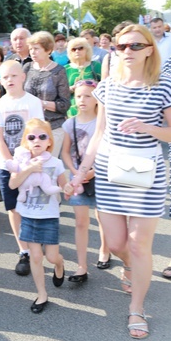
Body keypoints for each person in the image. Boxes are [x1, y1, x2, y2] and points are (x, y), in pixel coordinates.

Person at [68, 24, 171, 339]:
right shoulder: (108, 86)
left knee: (140, 244)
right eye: (121, 46)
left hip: (147, 173)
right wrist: (81, 170)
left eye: (135, 46)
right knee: (115, 244)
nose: (127, 51)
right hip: (110, 171)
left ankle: (136, 308)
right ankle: (129, 265)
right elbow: (99, 133)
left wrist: (146, 127)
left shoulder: (163, 85)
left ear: (149, 50)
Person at [0, 61, 45, 274]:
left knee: (32, 204)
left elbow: (39, 134)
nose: (10, 80)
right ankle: (24, 250)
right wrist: (12, 165)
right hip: (7, 166)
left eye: (14, 75)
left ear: (23, 77)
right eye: (5, 77)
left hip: (30, 164)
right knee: (13, 208)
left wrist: (28, 163)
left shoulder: (33, 103)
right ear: (1, 81)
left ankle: (37, 243)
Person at [9, 119, 68, 314]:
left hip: (49, 216)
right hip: (27, 214)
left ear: (49, 141)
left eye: (42, 136)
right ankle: (42, 294)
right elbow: (12, 185)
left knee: (51, 257)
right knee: (35, 256)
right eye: (31, 137)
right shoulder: (21, 162)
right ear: (25, 141)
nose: (37, 140)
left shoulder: (56, 163)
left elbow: (64, 185)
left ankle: (60, 264)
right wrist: (28, 169)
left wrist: (69, 188)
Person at [60, 81, 110, 281]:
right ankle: (82, 266)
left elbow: (109, 151)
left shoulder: (103, 123)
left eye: (88, 96)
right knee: (81, 222)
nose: (82, 100)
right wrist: (76, 172)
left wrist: (93, 172)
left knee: (103, 218)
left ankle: (105, 250)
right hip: (77, 178)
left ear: (97, 99)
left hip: (101, 176)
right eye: (79, 96)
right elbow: (65, 152)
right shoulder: (69, 123)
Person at [22, 31, 71, 155]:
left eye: (36, 49)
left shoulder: (58, 71)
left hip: (52, 128)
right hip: (30, 129)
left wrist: (43, 103)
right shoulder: (27, 67)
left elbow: (65, 104)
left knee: (47, 168)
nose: (32, 52)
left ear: (48, 50)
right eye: (31, 48)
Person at [65, 37, 101, 117]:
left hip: (93, 110)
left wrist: (92, 86)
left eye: (80, 48)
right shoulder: (65, 69)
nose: (77, 51)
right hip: (72, 111)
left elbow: (105, 85)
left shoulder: (95, 65)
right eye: (73, 49)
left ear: (87, 50)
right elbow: (60, 91)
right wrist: (71, 88)